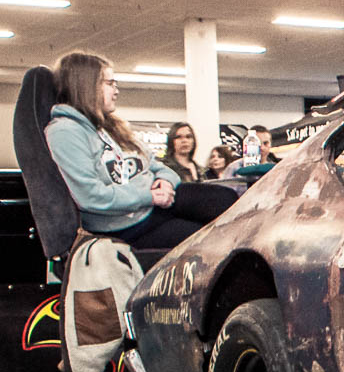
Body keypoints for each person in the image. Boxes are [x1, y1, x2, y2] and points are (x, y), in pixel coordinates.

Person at [45, 52, 236, 250]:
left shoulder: (111, 127)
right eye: (110, 84)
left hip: (154, 205)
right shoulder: (65, 131)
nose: (116, 91)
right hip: (128, 225)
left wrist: (166, 182)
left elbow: (159, 166)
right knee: (210, 242)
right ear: (86, 86)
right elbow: (90, 197)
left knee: (226, 199)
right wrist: (150, 196)